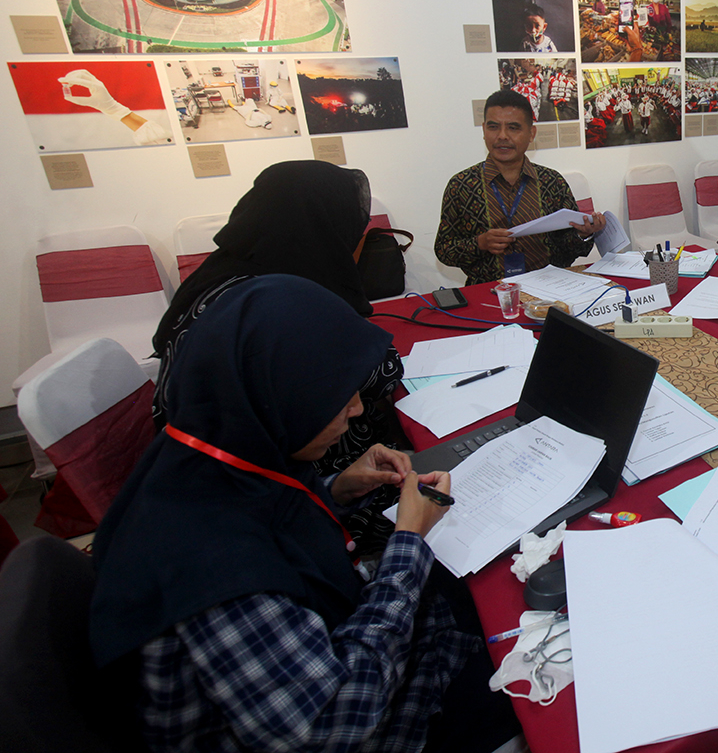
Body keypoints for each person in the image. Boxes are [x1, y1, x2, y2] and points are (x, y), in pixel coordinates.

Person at [92, 276, 517, 753]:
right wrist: (407, 544)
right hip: (347, 721)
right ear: (280, 394)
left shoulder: (203, 451)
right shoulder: (216, 574)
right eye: (335, 398)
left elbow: (265, 518)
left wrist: (334, 489)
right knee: (529, 676)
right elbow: (334, 728)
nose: (356, 410)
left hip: (316, 661)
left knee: (481, 598)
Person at [152, 161, 406, 553]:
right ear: (320, 229)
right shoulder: (280, 301)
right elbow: (382, 372)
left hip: (241, 480)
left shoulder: (225, 273)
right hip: (286, 501)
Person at [435, 90, 604, 284]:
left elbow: (569, 247)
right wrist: (479, 244)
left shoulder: (551, 182)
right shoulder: (462, 185)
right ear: (483, 130)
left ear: (531, 133)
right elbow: (443, 250)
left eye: (513, 128)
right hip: (488, 294)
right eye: (493, 127)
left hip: (550, 290)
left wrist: (583, 234)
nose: (502, 136)